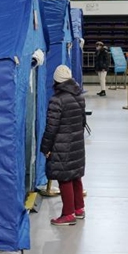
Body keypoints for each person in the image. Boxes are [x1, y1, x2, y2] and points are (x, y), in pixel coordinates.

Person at [41, 65, 86, 226]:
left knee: (64, 178)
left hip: (62, 145)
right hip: (77, 143)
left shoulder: (57, 100)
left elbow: (51, 128)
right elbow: (82, 122)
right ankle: (79, 209)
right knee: (75, 175)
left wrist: (45, 147)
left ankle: (68, 214)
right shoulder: (79, 96)